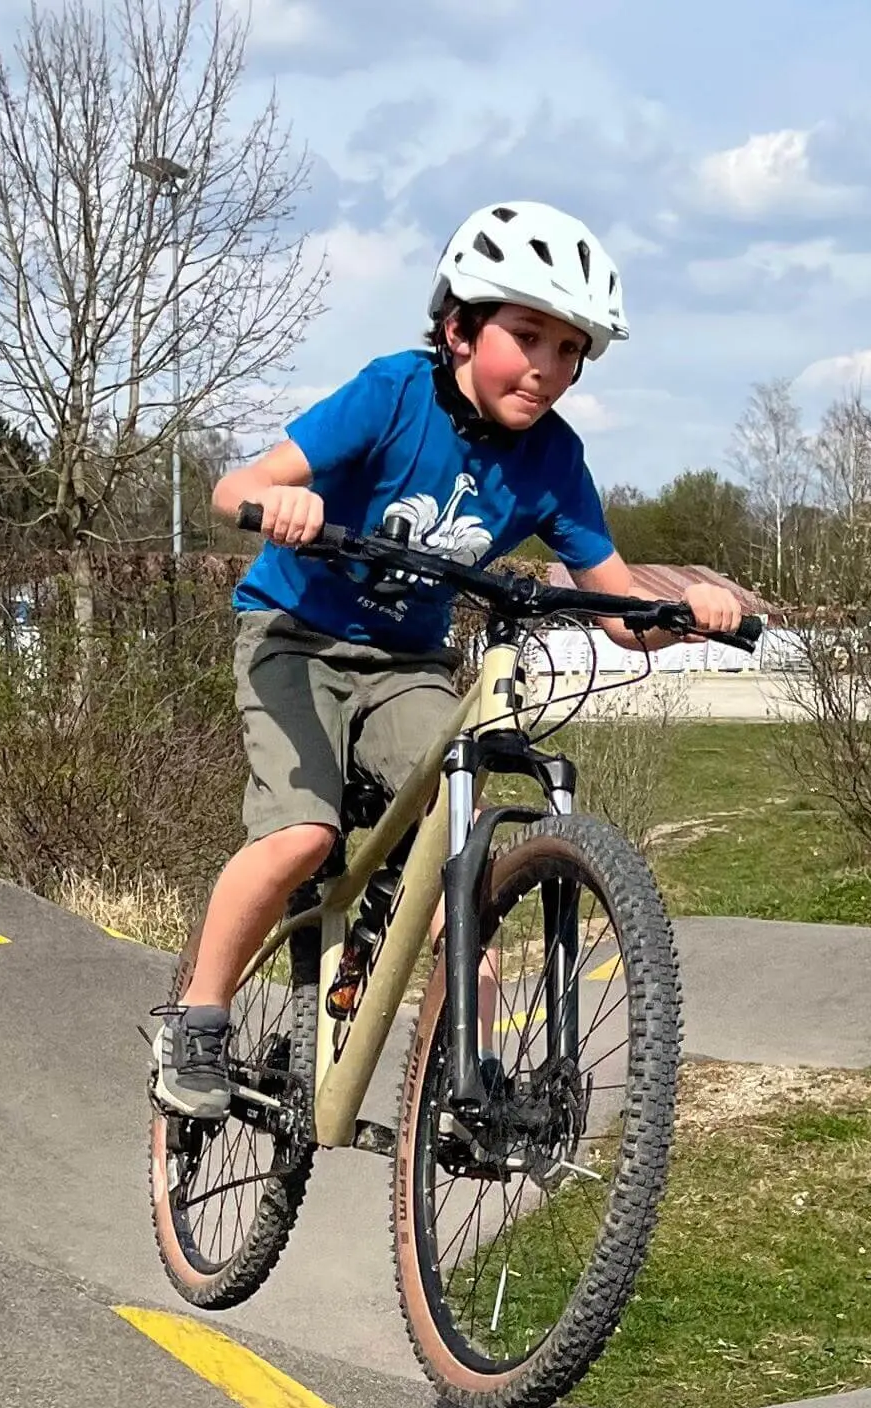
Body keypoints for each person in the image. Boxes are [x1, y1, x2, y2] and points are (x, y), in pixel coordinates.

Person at [151, 199, 743, 1119]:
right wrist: (286, 505)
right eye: (528, 336)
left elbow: (622, 609)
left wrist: (688, 611)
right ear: (460, 327)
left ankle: (457, 1086)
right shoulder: (392, 394)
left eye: (570, 350)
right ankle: (196, 1018)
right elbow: (240, 486)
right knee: (302, 835)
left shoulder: (553, 459)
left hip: (406, 666)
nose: (548, 368)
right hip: (293, 638)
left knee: (463, 868)